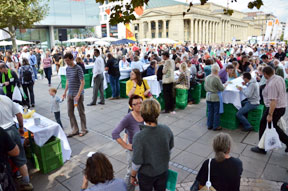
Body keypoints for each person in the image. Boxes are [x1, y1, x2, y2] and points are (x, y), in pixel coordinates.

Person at [130, 99, 174, 191]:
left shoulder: (139, 137)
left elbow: (137, 162)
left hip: (146, 175)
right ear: (158, 112)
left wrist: (132, 175)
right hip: (163, 171)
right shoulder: (166, 130)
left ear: (142, 114)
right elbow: (169, 150)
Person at [251, 66, 288, 154]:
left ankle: (262, 148)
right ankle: (263, 146)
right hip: (281, 107)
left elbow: (273, 101)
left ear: (265, 74)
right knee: (272, 126)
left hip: (275, 108)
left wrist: (270, 114)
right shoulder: (279, 78)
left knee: (266, 125)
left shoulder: (272, 84)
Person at [0, 95, 33, 190]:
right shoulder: (5, 98)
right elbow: (19, 114)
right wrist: (21, 127)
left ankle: (14, 176)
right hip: (12, 130)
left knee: (4, 160)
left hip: (2, 133)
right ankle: (26, 183)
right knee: (20, 157)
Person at [112, 95, 144, 191]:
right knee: (131, 174)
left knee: (143, 172)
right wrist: (126, 145)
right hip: (133, 151)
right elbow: (115, 133)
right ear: (131, 106)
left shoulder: (146, 114)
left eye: (140, 102)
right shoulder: (128, 118)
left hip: (145, 150)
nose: (139, 105)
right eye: (136, 104)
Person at [62, 52, 88, 137]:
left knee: (81, 112)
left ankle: (84, 129)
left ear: (72, 59)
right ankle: (75, 129)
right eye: (65, 61)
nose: (67, 62)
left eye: (68, 60)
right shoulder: (67, 69)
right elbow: (67, 81)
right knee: (70, 112)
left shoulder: (78, 68)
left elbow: (82, 82)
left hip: (78, 94)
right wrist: (65, 92)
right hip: (70, 93)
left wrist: (78, 94)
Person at [205, 64, 226, 131]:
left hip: (208, 96)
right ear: (217, 70)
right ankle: (215, 126)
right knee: (216, 112)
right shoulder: (216, 78)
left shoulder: (207, 77)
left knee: (210, 111)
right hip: (215, 97)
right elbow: (221, 88)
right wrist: (225, 86)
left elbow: (205, 87)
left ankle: (209, 125)